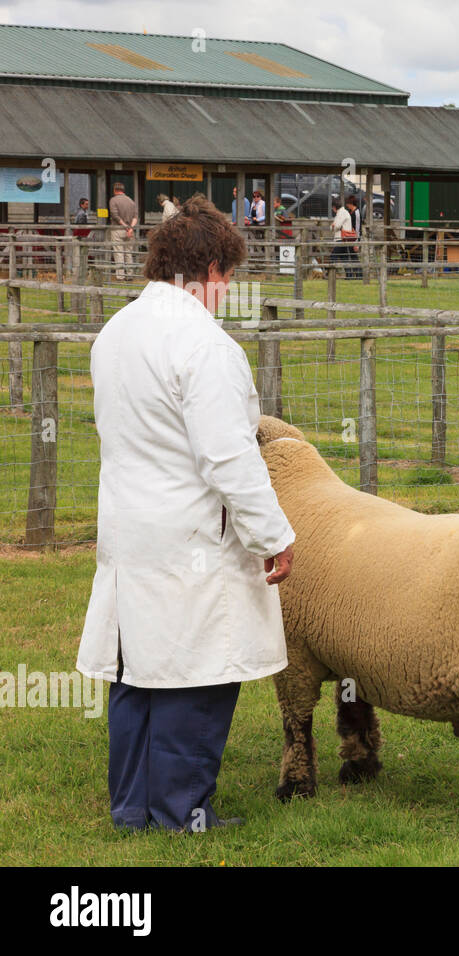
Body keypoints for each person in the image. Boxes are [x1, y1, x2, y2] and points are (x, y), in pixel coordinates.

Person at [76, 194, 295, 832]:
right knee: (196, 672)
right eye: (229, 277)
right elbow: (228, 458)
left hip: (130, 527)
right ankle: (182, 811)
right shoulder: (205, 346)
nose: (229, 292)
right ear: (213, 272)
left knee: (138, 667)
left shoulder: (116, 332)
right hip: (191, 533)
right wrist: (274, 535)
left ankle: (134, 807)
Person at [107, 182, 138, 282]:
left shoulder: (113, 200)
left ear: (115, 190)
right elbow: (135, 217)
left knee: (119, 252)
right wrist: (130, 228)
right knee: (128, 252)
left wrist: (125, 227)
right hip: (130, 230)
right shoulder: (131, 201)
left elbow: (115, 216)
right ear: (123, 190)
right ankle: (130, 275)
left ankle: (120, 277)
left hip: (117, 229)